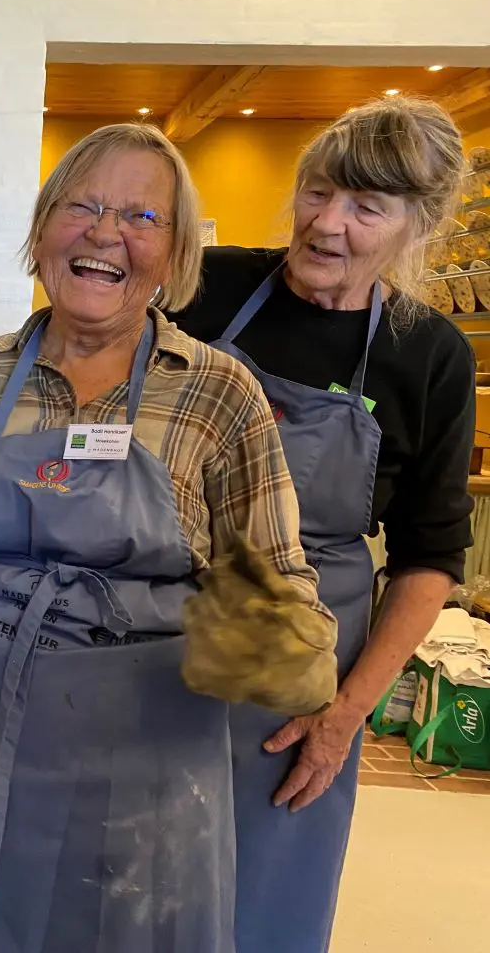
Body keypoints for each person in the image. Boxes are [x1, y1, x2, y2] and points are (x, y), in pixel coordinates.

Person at [0, 123, 339, 953]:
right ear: (42, 227)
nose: (104, 234)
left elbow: (280, 585)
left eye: (141, 217)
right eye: (82, 206)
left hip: (135, 758)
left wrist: (265, 642)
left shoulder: (217, 393)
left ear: (173, 256)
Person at [173, 96, 475, 953]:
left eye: (364, 208)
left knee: (265, 901)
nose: (326, 223)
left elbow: (429, 558)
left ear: (416, 229)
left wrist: (345, 715)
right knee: (127, 879)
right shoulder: (210, 288)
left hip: (297, 679)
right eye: (317, 192)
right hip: (157, 628)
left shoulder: (428, 354)